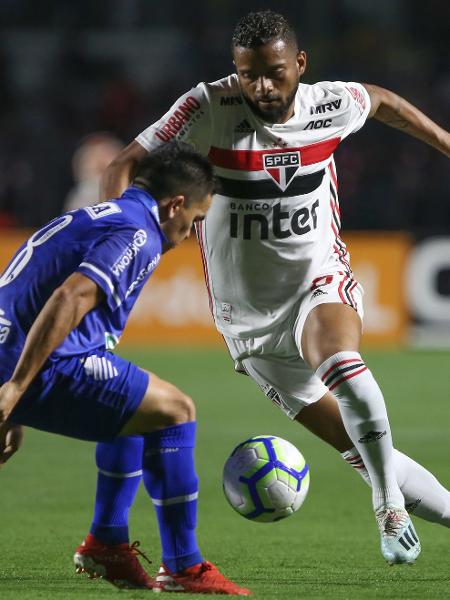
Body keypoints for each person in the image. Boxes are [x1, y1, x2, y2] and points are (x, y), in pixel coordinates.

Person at [73, 9, 450, 576]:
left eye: (275, 73)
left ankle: (389, 508)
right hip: (248, 323)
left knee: (346, 365)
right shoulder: (207, 107)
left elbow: (385, 102)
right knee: (364, 451)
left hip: (316, 281)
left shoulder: (330, 103)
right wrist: (113, 234)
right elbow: (127, 161)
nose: (262, 87)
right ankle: (387, 489)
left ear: (300, 64)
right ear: (236, 69)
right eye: (250, 75)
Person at [0, 141, 250, 596]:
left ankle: (108, 542)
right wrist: (15, 388)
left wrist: (14, 400)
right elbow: (70, 297)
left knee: (137, 413)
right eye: (195, 219)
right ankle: (183, 566)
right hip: (38, 365)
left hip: (11, 354)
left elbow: (21, 295)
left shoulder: (97, 215)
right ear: (175, 204)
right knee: (176, 410)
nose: (193, 231)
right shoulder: (139, 232)